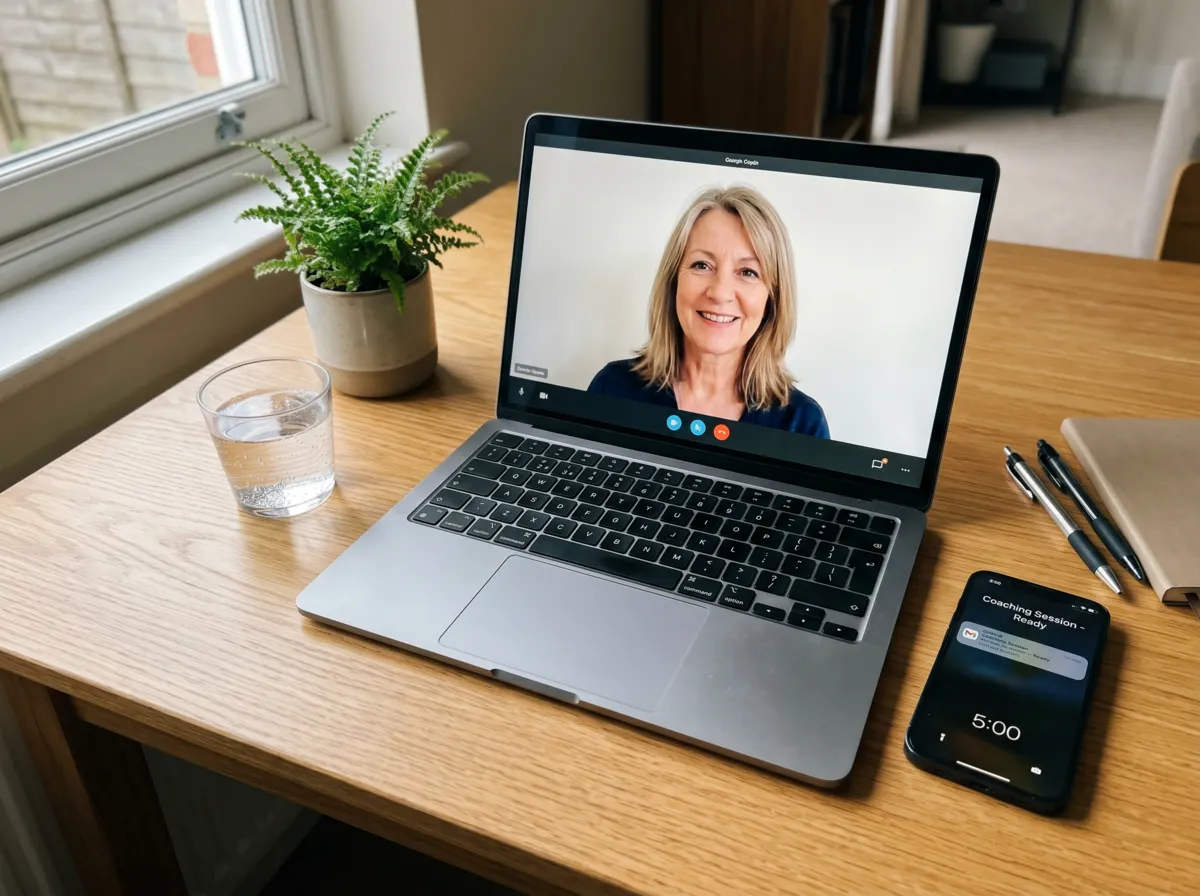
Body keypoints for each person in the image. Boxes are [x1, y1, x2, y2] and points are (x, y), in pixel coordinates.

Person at [588, 185, 829, 436]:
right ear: (674, 281)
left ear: (773, 298)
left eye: (748, 272)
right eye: (702, 265)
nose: (720, 292)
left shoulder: (802, 423)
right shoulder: (612, 388)